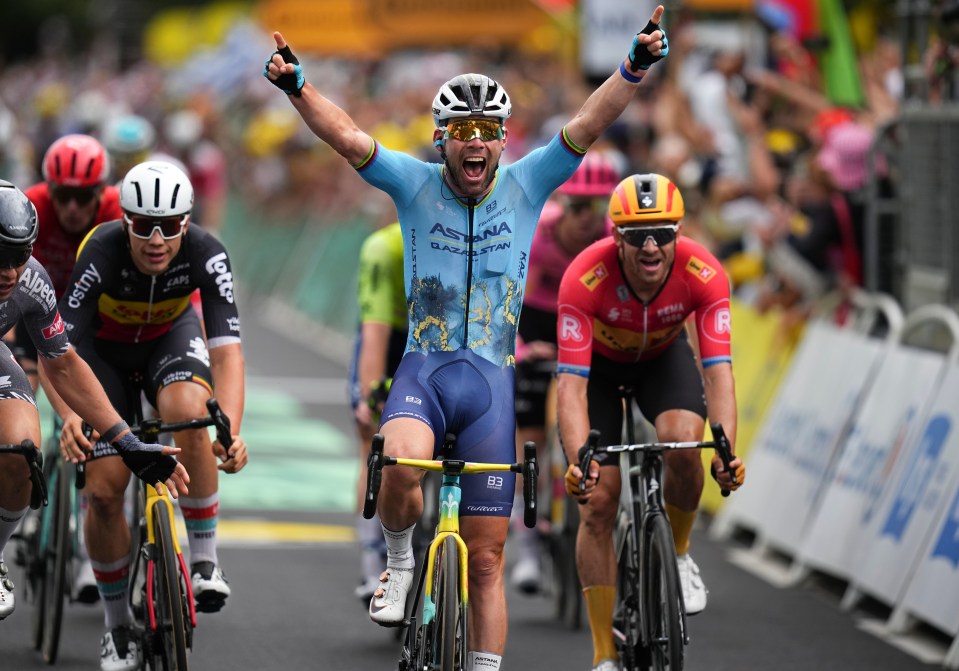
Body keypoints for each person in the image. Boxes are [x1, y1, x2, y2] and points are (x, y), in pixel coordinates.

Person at [264, 6, 669, 669]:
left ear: (502, 138)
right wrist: (296, 87)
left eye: (486, 131)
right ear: (440, 137)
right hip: (424, 375)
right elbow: (347, 137)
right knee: (397, 462)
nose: (474, 142)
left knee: (486, 559)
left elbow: (588, 124)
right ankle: (397, 563)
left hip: (489, 386)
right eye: (461, 131)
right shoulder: (412, 184)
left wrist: (634, 67)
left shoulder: (528, 184)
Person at [54, 160, 248, 671]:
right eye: (143, 225)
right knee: (102, 490)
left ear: (188, 221)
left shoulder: (208, 252)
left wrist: (229, 427)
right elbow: (61, 353)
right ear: (125, 222)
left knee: (192, 413)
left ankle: (204, 560)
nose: (157, 238)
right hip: (102, 357)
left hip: (169, 342)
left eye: (170, 225)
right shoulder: (99, 251)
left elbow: (228, 352)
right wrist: (69, 415)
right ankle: (117, 627)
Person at [556, 173, 746, 671]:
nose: (650, 245)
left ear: (678, 234)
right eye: (636, 234)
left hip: (663, 362)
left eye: (662, 232)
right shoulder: (584, 276)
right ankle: (603, 655)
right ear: (615, 236)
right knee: (598, 501)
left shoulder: (704, 272)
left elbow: (718, 372)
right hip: (596, 370)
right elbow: (571, 385)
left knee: (684, 444)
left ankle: (679, 555)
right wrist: (580, 462)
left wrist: (726, 451)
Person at [0, 179, 188, 623]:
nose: (9, 273)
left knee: (21, 447)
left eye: (19, 256)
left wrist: (126, 442)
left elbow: (63, 363)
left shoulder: (32, 283)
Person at [510, 152, 621, 595]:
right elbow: (509, 297)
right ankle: (530, 549)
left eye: (595, 209)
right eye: (576, 207)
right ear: (562, 204)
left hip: (587, 319)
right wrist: (519, 349)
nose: (584, 219)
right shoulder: (540, 235)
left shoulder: (614, 236)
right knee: (530, 439)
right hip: (537, 320)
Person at [19, 133, 123, 603]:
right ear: (48, 191)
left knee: (87, 396)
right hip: (31, 309)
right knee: (21, 388)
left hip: (90, 319)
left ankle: (85, 534)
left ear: (103, 192)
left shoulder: (121, 211)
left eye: (86, 197)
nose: (75, 208)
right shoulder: (30, 206)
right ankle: (29, 481)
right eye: (65, 196)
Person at [349, 221, 408, 602]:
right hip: (390, 334)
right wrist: (371, 396)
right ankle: (373, 563)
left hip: (438, 339)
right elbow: (375, 335)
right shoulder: (384, 248)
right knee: (372, 442)